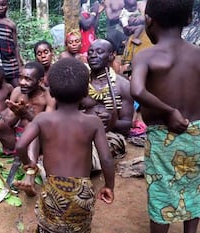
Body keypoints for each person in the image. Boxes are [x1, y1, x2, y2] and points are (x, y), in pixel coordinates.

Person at [15, 58, 115, 232]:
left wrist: (28, 164)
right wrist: (109, 186)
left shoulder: (42, 119)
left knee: (47, 226)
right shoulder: (93, 122)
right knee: (80, 228)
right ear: (86, 92)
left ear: (51, 92)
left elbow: (21, 146)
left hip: (53, 188)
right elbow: (106, 158)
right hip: (81, 192)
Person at [130, 0, 200, 232]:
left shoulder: (146, 56)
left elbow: (138, 90)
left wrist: (169, 111)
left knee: (161, 194)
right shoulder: (198, 54)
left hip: (163, 138)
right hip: (197, 134)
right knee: (194, 188)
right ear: (189, 20)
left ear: (148, 20)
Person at [83, 39, 134, 170]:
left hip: (111, 136)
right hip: (81, 132)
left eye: (99, 52)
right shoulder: (80, 83)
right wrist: (84, 120)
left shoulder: (123, 85)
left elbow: (127, 125)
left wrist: (112, 121)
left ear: (112, 55)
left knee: (89, 155)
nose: (93, 55)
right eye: (90, 52)